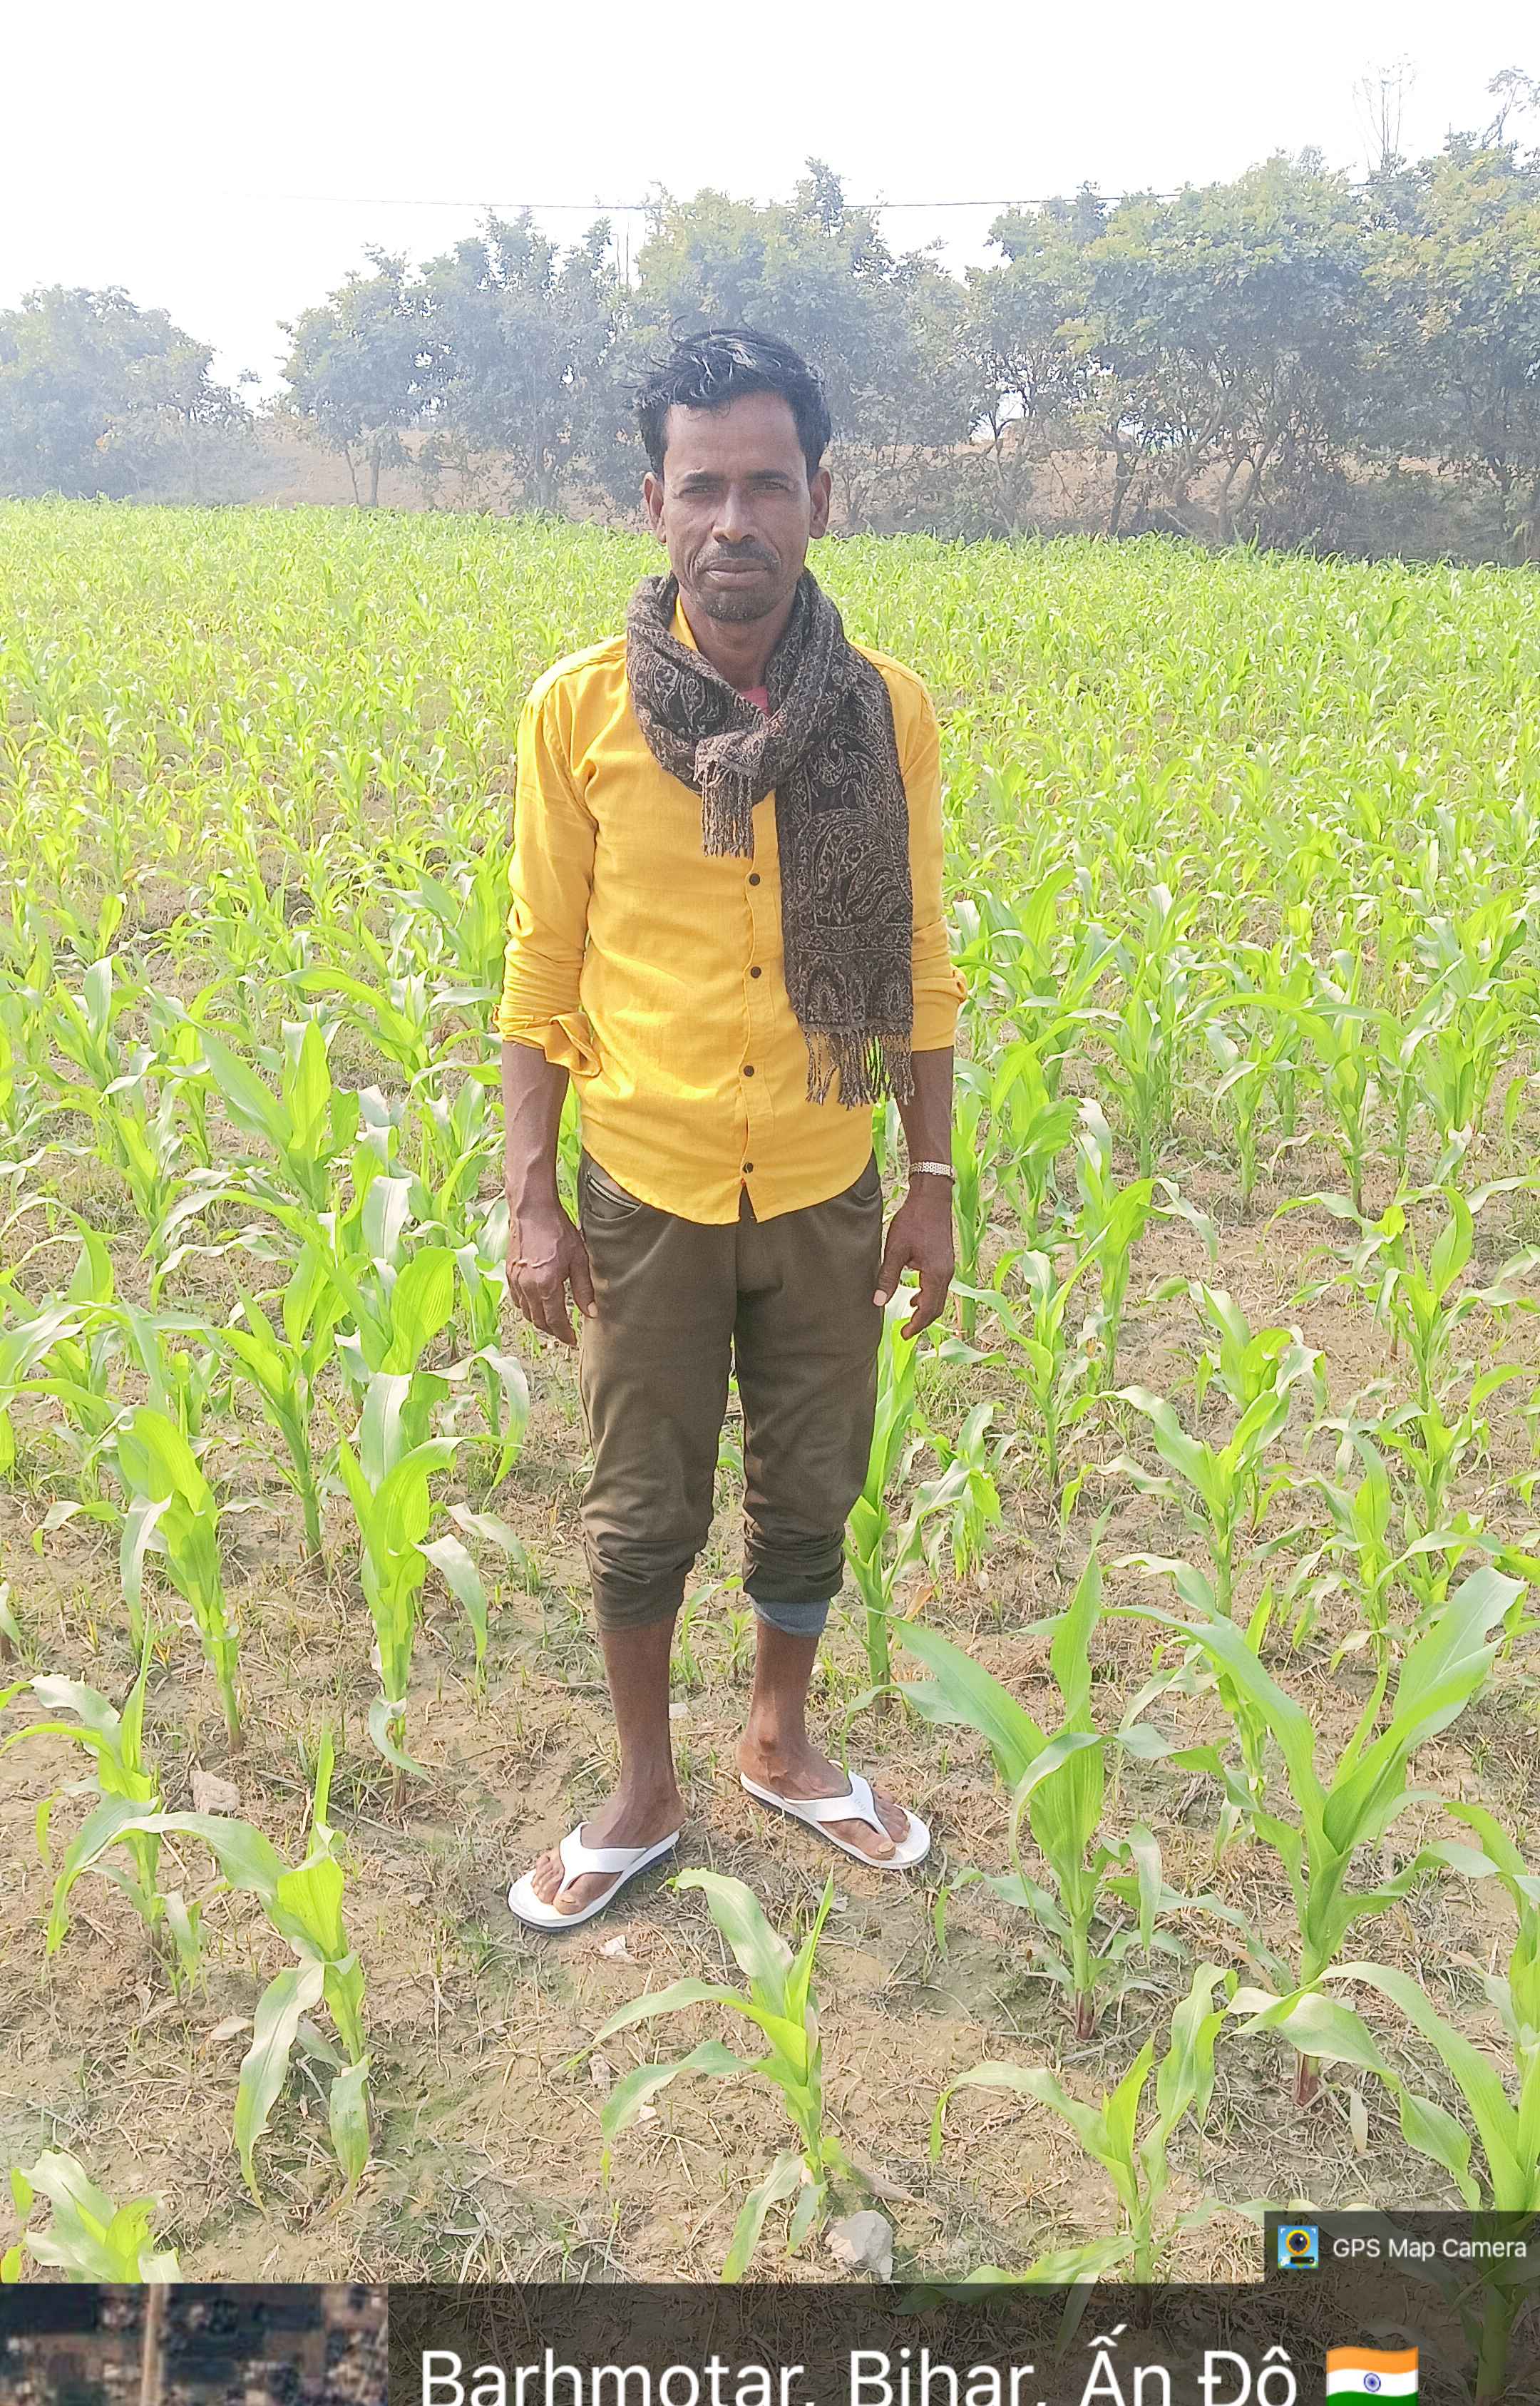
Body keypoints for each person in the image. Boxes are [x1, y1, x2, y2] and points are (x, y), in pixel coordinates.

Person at [499, 327, 962, 1930]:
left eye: (768, 484)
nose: (735, 520)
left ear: (824, 497)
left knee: (812, 1486)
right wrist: (531, 1196)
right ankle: (643, 1788)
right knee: (641, 1507)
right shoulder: (578, 715)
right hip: (651, 1183)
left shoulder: (885, 712)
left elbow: (918, 959)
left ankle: (778, 1738)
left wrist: (932, 1181)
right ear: (654, 504)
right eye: (703, 487)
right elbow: (542, 966)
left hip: (828, 1175)